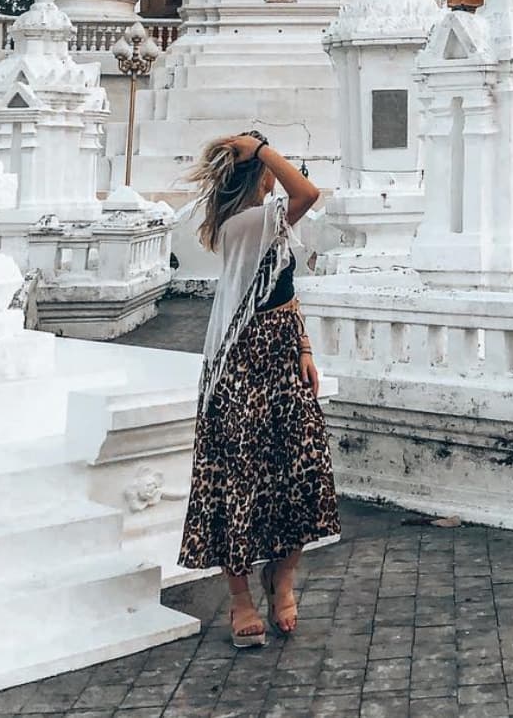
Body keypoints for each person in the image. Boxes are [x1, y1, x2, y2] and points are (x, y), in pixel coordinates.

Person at [177, 132, 340, 646]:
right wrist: (262, 148)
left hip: (282, 358)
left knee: (303, 471)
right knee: (238, 480)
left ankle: (281, 577)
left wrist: (305, 347)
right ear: (259, 175)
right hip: (243, 364)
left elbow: (283, 288)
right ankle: (240, 598)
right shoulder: (246, 224)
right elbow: (308, 193)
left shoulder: (266, 224)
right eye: (269, 167)